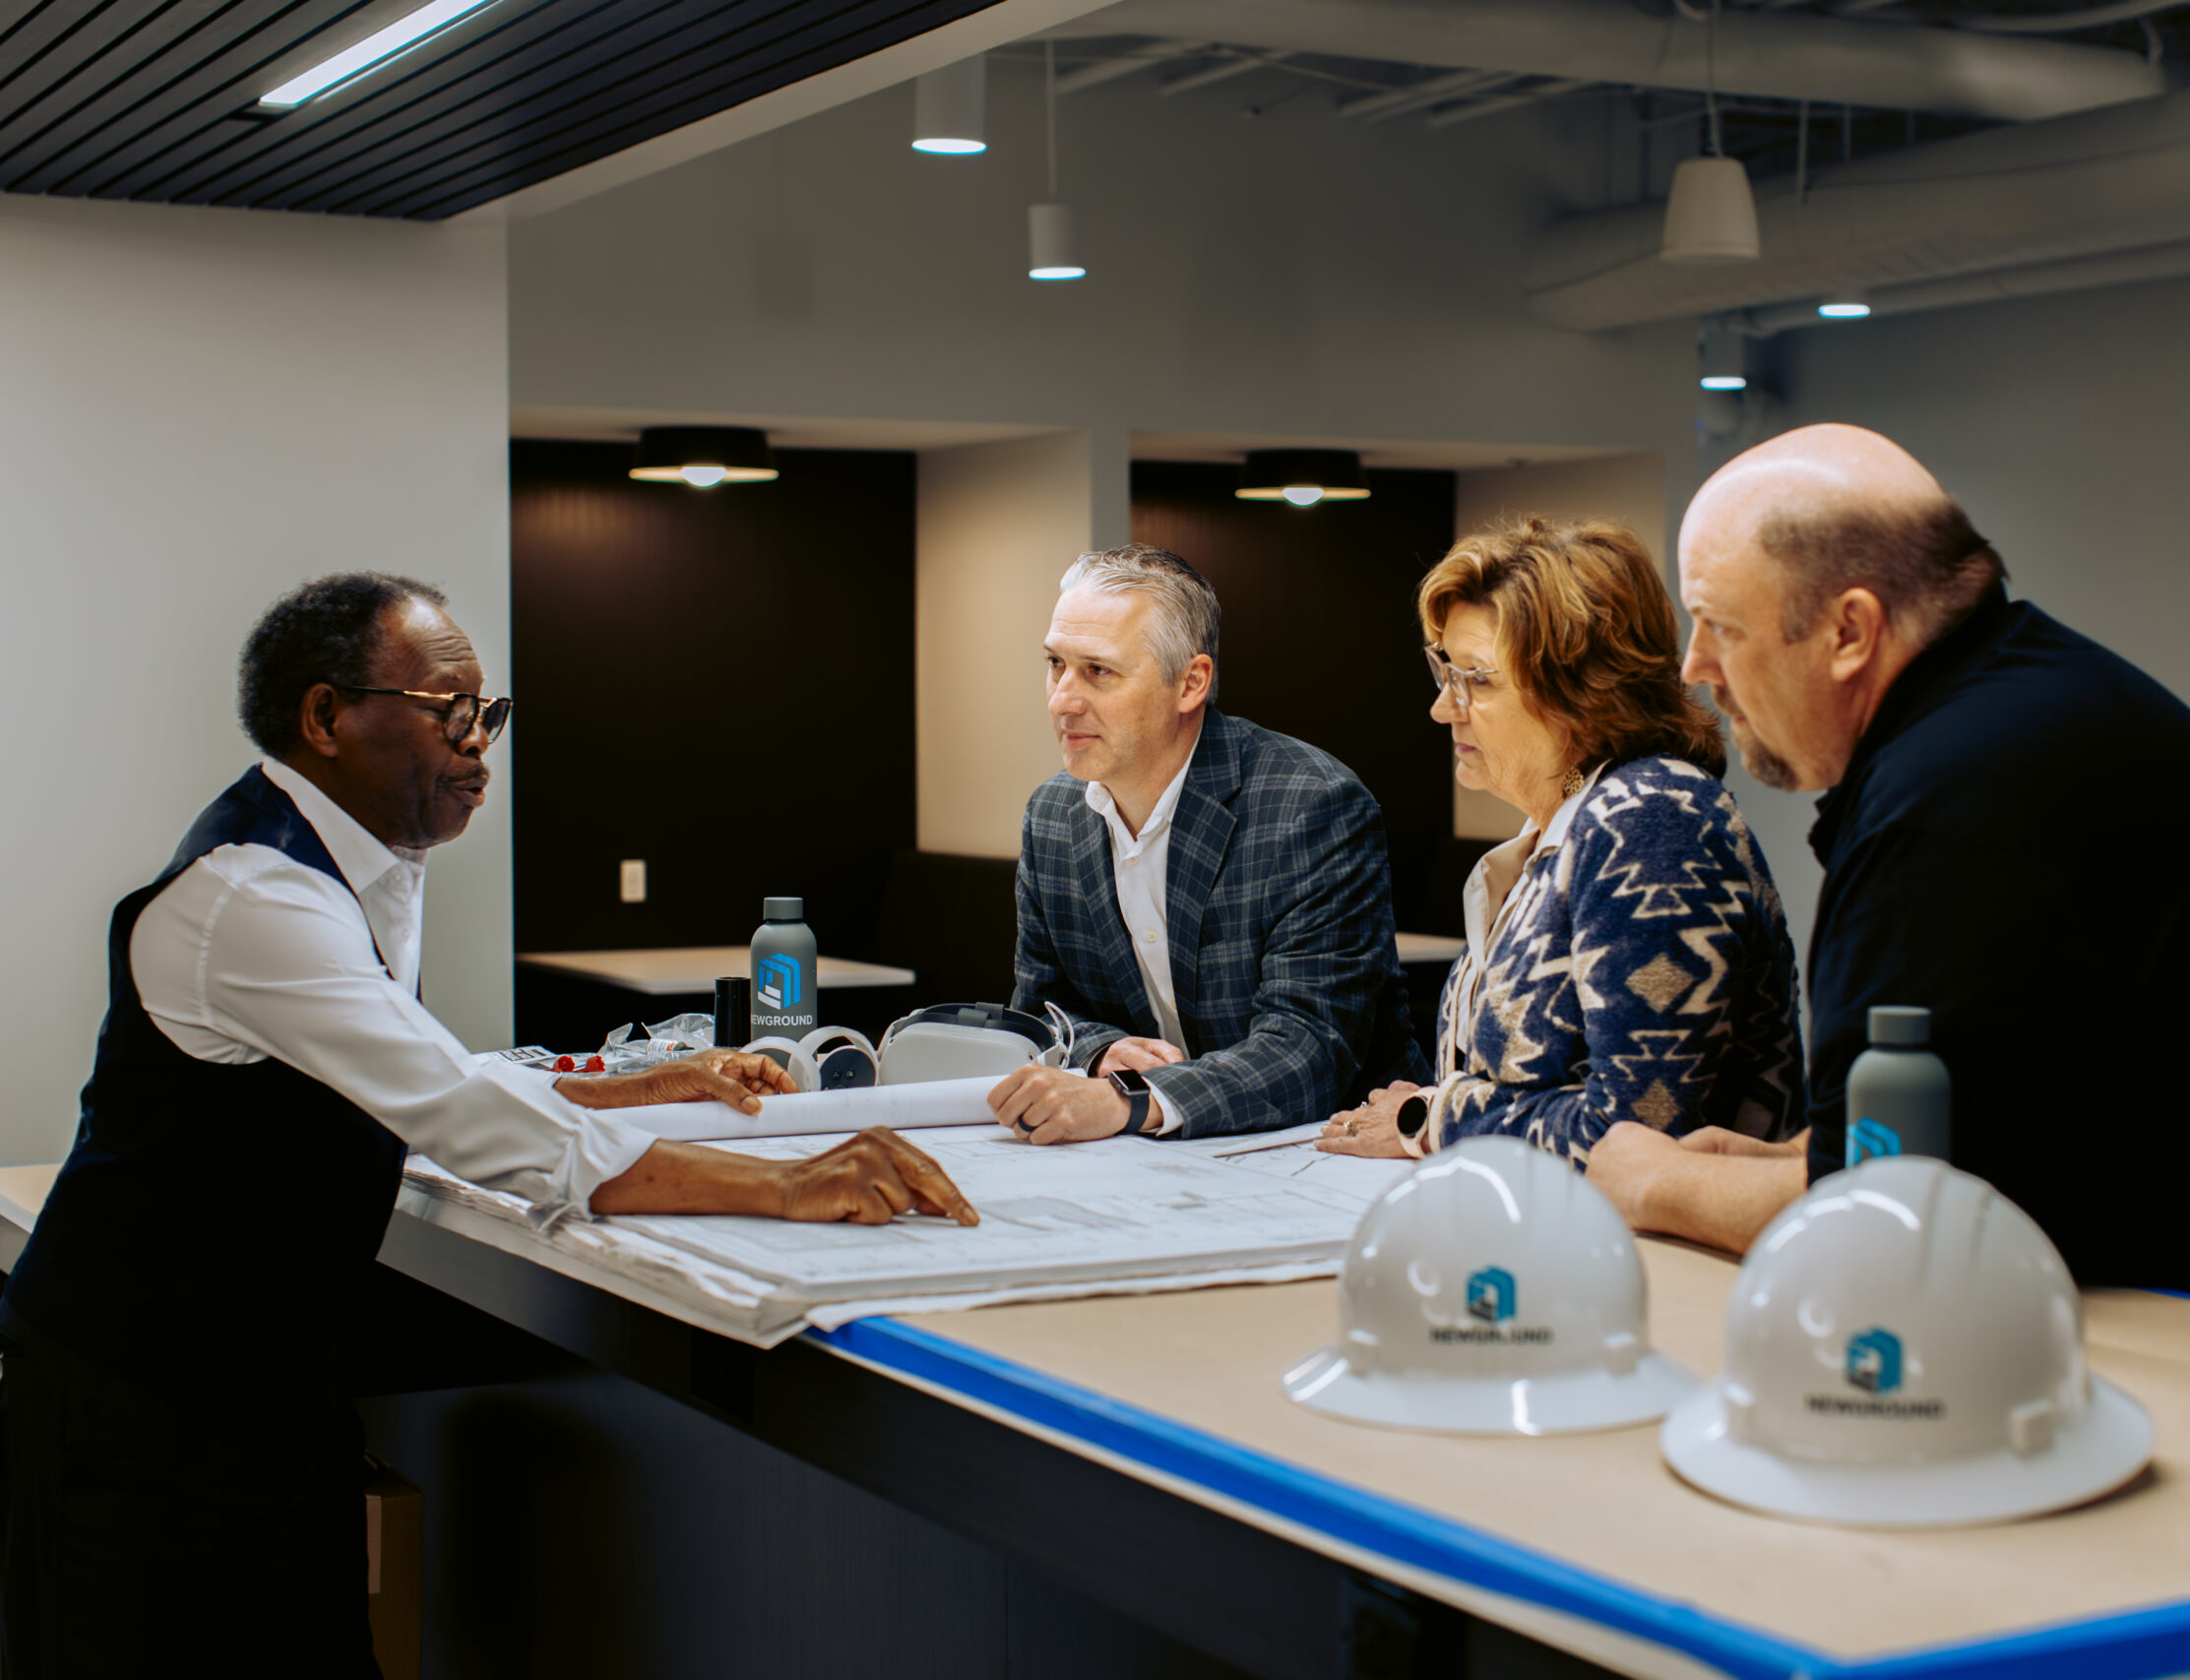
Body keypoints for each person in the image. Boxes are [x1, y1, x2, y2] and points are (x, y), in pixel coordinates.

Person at [0, 574, 975, 1677]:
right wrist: (788, 1185)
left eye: (487, 715)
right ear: (326, 718)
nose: (478, 747)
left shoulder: (360, 868)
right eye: (447, 713)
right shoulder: (257, 898)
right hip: (140, 1401)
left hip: (264, 1385)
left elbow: (420, 1079)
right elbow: (461, 1116)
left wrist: (641, 1085)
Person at [1585, 424, 2190, 1310]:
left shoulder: (1952, 810)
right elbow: (1979, 1127)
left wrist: (1655, 1181)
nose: (1696, 667)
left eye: (1720, 626)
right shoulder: (2022, 710)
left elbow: (1891, 1213)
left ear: (1849, 630)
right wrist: (1793, 1156)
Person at [1313, 518, 1803, 1164]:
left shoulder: (1652, 822)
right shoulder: (1564, 828)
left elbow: (1639, 1138)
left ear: (1582, 688)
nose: (1443, 707)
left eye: (1478, 680)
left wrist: (1432, 1117)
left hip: (1661, 1261)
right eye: (1445, 672)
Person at [990, 545, 1428, 1144]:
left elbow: (1309, 1048)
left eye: (1099, 671)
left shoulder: (1310, 804)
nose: (1062, 699)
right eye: (1055, 665)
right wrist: (1101, 1054)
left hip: (1334, 1150)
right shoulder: (1053, 815)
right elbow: (1039, 1011)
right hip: (1149, 1163)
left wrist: (1128, 1100)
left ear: (1191, 683)